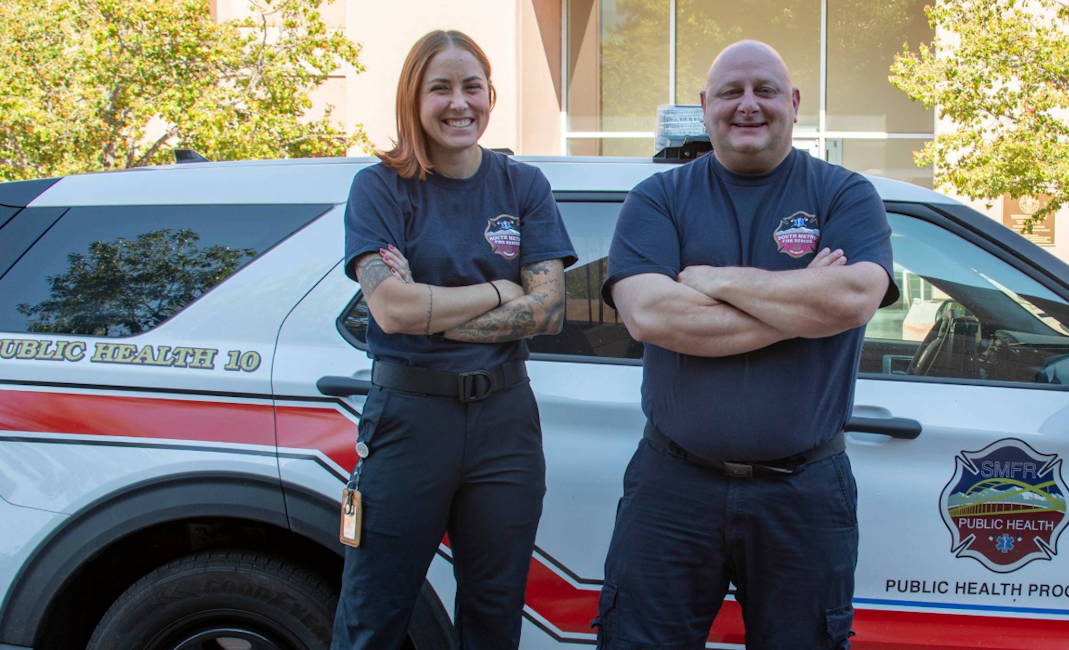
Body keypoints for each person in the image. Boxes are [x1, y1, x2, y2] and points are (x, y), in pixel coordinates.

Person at [593, 40, 897, 649]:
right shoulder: (658, 198)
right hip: (673, 487)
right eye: (731, 92)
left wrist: (712, 280)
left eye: (765, 90)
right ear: (706, 106)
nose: (748, 105)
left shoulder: (846, 194)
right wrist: (807, 298)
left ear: (795, 102)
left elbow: (854, 299)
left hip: (805, 493)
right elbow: (651, 315)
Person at [336, 29, 575, 650]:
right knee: (374, 611)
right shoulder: (381, 188)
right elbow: (390, 308)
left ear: (491, 94)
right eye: (439, 88)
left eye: (472, 86)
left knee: (495, 615)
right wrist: (502, 290)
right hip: (410, 419)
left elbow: (549, 309)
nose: (458, 102)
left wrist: (431, 309)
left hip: (505, 420)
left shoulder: (523, 187)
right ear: (413, 98)